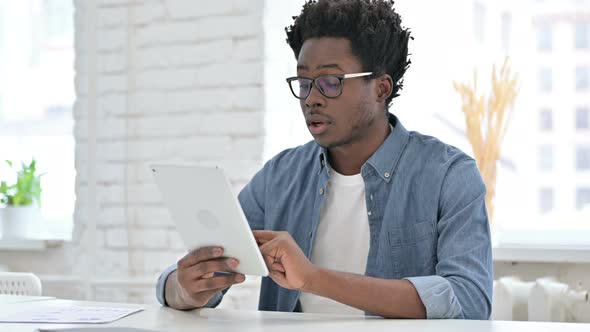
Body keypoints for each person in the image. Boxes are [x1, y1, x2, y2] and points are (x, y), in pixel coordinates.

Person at [156, 0, 492, 319]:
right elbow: (190, 279)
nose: (312, 99)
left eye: (331, 82)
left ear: (381, 88)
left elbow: (470, 299)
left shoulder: (448, 174)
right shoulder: (280, 177)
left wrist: (313, 278)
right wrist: (185, 289)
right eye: (304, 83)